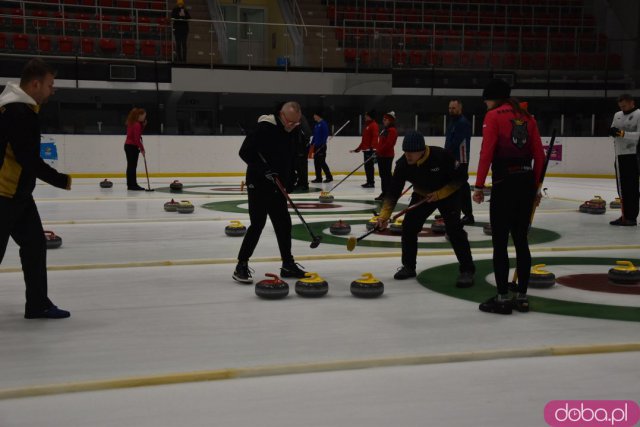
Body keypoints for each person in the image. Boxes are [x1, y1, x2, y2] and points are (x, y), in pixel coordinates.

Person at [0, 58, 71, 319]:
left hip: (17, 195)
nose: (53, 90)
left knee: (34, 245)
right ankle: (38, 303)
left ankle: (38, 304)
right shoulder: (20, 112)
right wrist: (61, 180)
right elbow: (27, 159)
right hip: (4, 195)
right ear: (35, 83)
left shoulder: (14, 108)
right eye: (50, 85)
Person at [472, 78, 545, 315]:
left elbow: (487, 152)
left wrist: (479, 185)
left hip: (504, 183)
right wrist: (535, 188)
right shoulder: (528, 117)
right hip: (525, 183)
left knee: (500, 243)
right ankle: (522, 297)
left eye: (486, 100)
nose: (485, 105)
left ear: (492, 98)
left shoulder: (493, 116)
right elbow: (540, 156)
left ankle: (502, 297)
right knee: (521, 241)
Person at [376, 130, 475, 287]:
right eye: (406, 152)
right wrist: (383, 216)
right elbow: (393, 193)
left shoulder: (441, 156)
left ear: (422, 151)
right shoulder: (403, 165)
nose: (408, 156)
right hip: (423, 194)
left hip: (448, 194)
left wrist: (440, 194)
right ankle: (409, 266)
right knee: (409, 227)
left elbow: (462, 178)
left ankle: (467, 270)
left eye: (412, 153)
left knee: (454, 230)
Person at [232, 101, 308, 284]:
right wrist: (263, 169)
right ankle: (241, 264)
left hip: (278, 184)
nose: (292, 126)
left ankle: (288, 264)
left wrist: (293, 176)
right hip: (258, 183)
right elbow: (245, 152)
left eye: (296, 123)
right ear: (281, 115)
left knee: (283, 223)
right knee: (258, 223)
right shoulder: (264, 127)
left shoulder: (294, 130)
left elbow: (292, 155)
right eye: (290, 122)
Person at [608, 93, 639, 226]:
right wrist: (612, 132)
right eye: (621, 106)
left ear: (632, 103)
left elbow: (639, 135)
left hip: (633, 155)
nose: (623, 109)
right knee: (621, 188)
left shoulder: (639, 114)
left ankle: (631, 217)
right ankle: (624, 215)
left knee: (631, 187)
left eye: (625, 106)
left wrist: (622, 133)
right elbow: (613, 129)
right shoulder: (617, 115)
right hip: (619, 155)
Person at [445, 99, 474, 225]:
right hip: (452, 158)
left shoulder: (462, 123)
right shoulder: (453, 122)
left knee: (461, 187)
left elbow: (456, 142)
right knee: (451, 186)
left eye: (454, 108)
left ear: (460, 108)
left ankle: (468, 215)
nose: (451, 110)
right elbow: (449, 141)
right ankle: (450, 211)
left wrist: (445, 154)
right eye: (450, 108)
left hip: (460, 160)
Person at [350, 110, 379, 188]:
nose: (365, 117)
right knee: (367, 167)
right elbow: (364, 140)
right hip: (366, 150)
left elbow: (375, 138)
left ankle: (371, 182)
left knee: (370, 167)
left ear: (370, 116)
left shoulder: (374, 125)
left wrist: (372, 149)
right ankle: (369, 182)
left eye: (366, 115)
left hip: (370, 150)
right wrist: (358, 149)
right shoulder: (367, 126)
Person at [375, 111, 397, 201]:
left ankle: (388, 193)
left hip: (387, 156)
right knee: (383, 175)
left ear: (390, 121)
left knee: (386, 175)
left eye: (385, 119)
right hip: (381, 155)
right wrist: (377, 150)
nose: (383, 121)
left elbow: (389, 144)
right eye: (383, 119)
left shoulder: (392, 130)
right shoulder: (385, 129)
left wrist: (379, 151)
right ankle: (384, 192)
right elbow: (381, 142)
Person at [124, 107, 147, 191]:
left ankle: (130, 184)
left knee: (130, 166)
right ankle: (133, 185)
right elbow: (137, 139)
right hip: (132, 147)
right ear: (139, 115)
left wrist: (143, 126)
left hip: (128, 146)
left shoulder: (132, 123)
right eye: (144, 116)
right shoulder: (137, 124)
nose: (144, 118)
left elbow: (137, 135)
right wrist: (142, 149)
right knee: (132, 166)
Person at [310, 110, 332, 183]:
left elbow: (325, 135)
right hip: (316, 146)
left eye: (314, 115)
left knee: (322, 162)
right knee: (316, 163)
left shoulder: (323, 124)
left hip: (321, 146)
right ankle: (318, 178)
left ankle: (329, 177)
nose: (313, 117)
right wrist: (312, 143)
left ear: (318, 116)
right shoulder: (316, 125)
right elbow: (315, 135)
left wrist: (322, 144)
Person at [293, 114, 311, 191]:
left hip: (302, 148)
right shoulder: (300, 122)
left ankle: (304, 183)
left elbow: (305, 135)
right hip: (300, 147)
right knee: (298, 166)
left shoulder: (301, 122)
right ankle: (301, 182)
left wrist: (302, 147)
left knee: (302, 166)